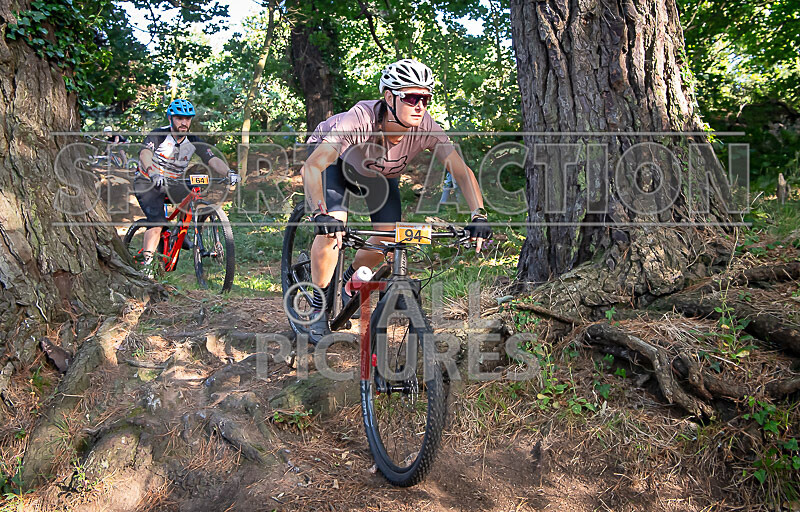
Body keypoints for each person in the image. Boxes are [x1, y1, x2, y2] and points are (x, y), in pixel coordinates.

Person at [298, 58, 492, 344]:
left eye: (426, 98)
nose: (420, 106)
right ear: (389, 97)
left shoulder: (425, 126)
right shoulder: (359, 119)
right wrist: (319, 214)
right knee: (334, 229)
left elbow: (461, 171)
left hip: (378, 175)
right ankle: (318, 305)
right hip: (335, 165)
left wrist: (479, 215)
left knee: (389, 237)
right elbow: (312, 167)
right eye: (412, 97)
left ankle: (350, 277)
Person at [134, 98, 240, 270]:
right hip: (147, 181)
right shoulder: (158, 135)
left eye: (187, 118)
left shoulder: (193, 139)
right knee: (157, 223)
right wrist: (153, 172)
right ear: (170, 118)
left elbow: (211, 159)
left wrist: (229, 173)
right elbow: (145, 153)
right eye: (179, 118)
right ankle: (147, 268)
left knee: (194, 197)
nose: (184, 122)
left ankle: (180, 233)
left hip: (173, 182)